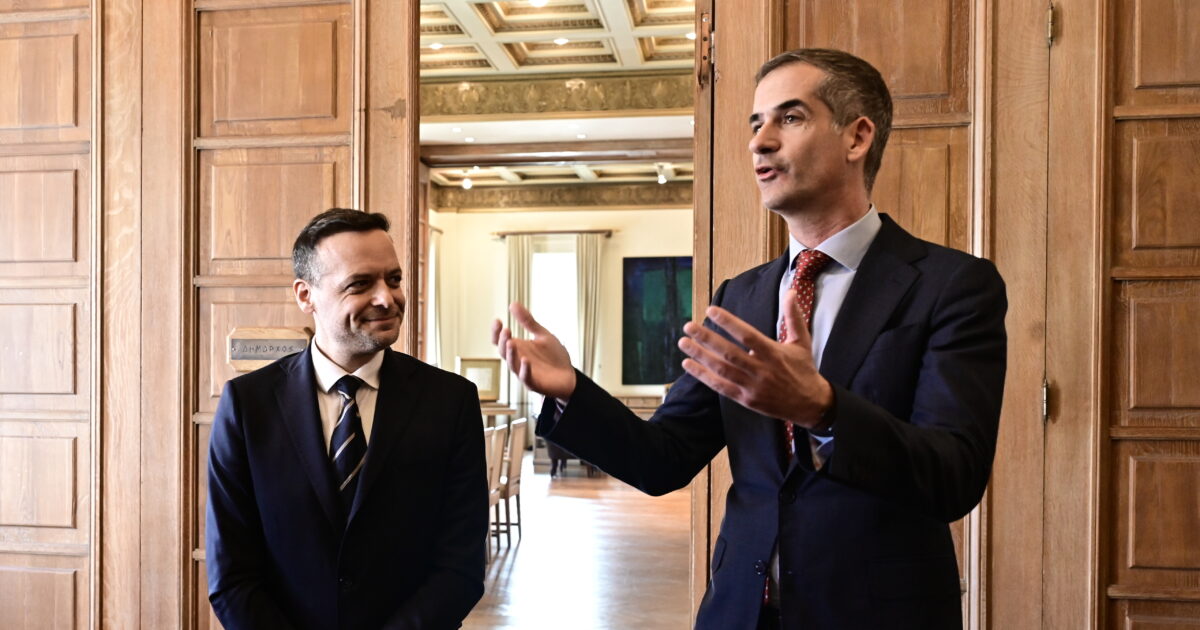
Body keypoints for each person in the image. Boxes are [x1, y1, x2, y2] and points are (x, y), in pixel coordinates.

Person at [491, 48, 1006, 630]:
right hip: (738, 612)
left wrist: (824, 409)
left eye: (790, 118)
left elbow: (954, 475)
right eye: (756, 123)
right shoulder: (741, 297)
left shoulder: (951, 286)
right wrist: (570, 390)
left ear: (857, 137)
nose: (760, 142)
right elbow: (663, 459)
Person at [207, 209, 488, 630]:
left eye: (393, 279)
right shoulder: (248, 405)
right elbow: (232, 574)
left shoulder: (450, 401)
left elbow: (460, 567)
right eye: (361, 284)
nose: (386, 298)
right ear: (306, 296)